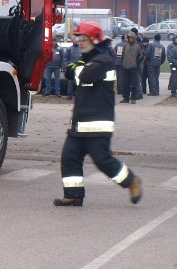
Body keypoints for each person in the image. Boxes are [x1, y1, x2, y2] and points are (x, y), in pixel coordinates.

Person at [55, 21, 142, 207]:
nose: (80, 42)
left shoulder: (104, 61)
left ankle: (131, 181)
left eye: (84, 38)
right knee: (69, 158)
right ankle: (73, 194)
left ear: (94, 40)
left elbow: (80, 74)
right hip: (79, 123)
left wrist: (75, 68)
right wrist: (75, 68)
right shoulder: (88, 60)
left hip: (97, 123)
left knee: (103, 161)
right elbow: (70, 73)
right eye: (78, 38)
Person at [120, 30, 143, 103]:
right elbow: (122, 55)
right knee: (125, 83)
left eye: (131, 38)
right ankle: (125, 98)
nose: (130, 39)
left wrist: (137, 62)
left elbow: (142, 55)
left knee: (134, 84)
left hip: (133, 67)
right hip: (125, 67)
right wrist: (122, 62)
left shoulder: (138, 46)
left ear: (134, 38)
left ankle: (133, 98)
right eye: (129, 38)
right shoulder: (125, 45)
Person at [63, 35, 81, 100]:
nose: (76, 42)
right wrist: (66, 66)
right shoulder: (69, 49)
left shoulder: (81, 49)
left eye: (77, 40)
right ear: (72, 41)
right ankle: (69, 96)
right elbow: (65, 58)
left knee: (78, 83)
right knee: (70, 83)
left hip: (79, 69)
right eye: (75, 40)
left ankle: (78, 96)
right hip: (71, 70)